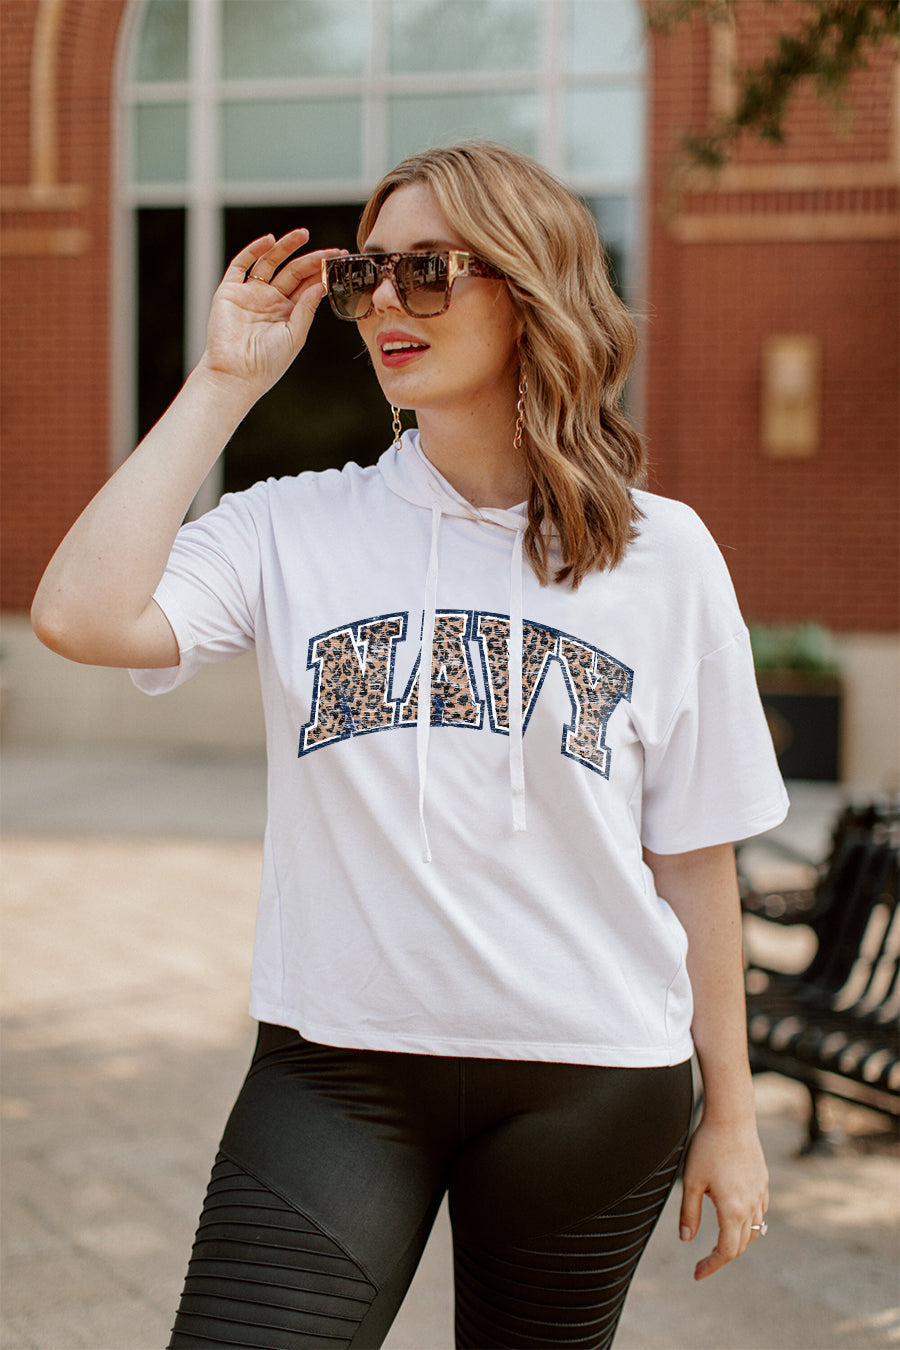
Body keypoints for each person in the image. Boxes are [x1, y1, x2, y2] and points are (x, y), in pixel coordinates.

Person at [32, 140, 788, 1350]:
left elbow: (695, 856)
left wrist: (733, 1118)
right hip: (338, 1069)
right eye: (365, 274)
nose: (385, 299)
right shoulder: (292, 528)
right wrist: (224, 383)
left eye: (428, 270)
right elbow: (78, 615)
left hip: (592, 1079)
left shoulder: (665, 555)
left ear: (529, 289)